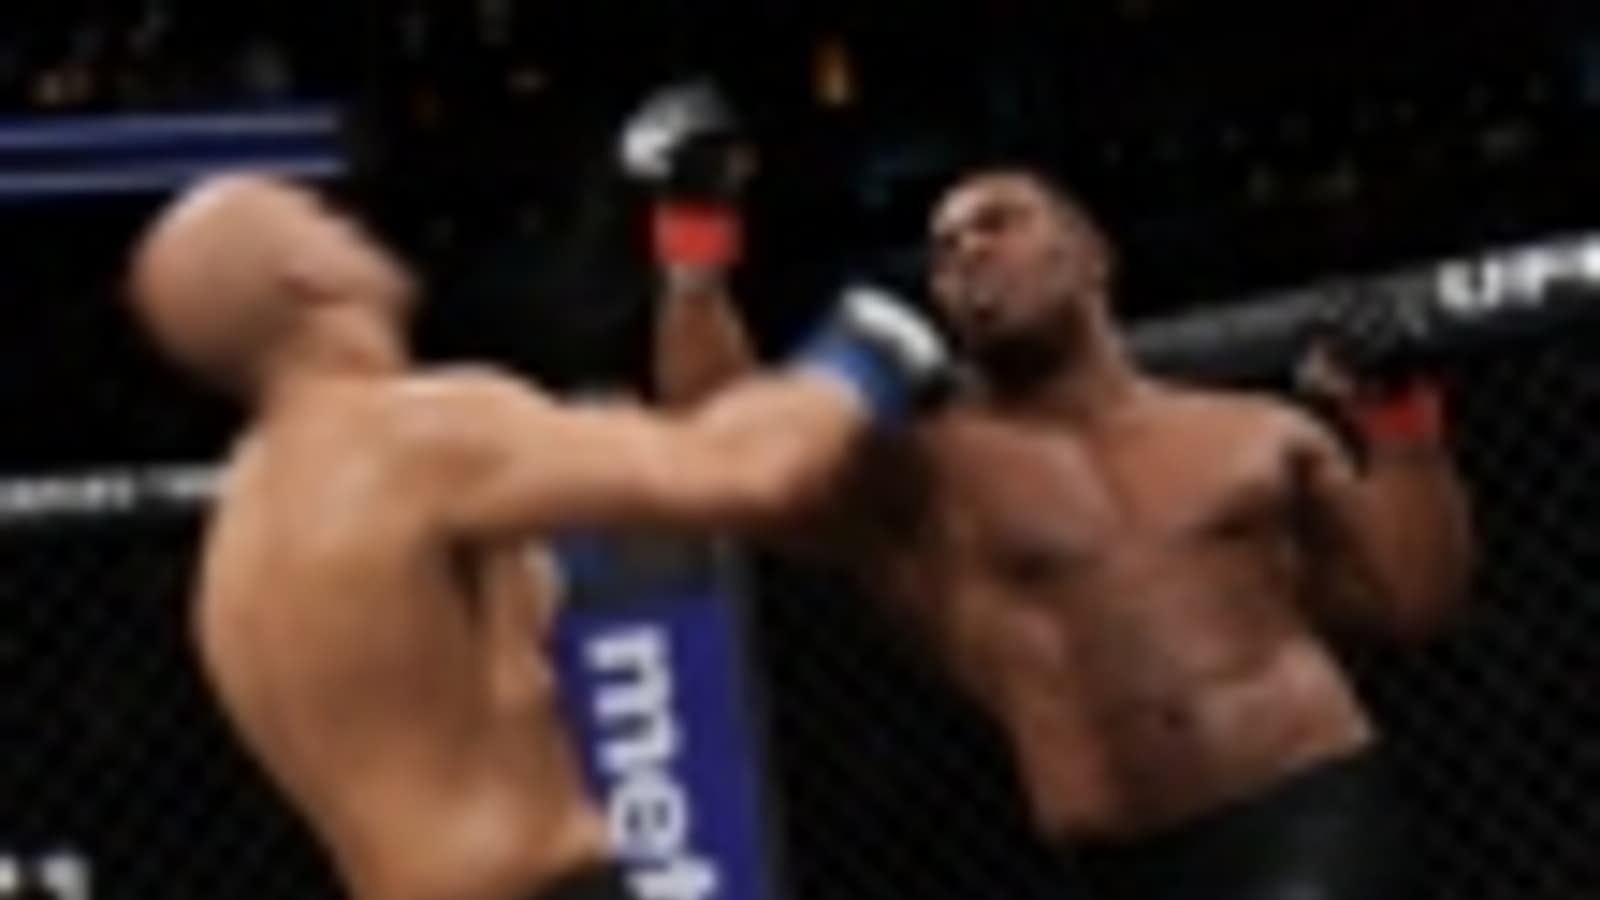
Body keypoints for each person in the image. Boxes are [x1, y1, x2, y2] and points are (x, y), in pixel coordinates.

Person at [640, 91, 1473, 898]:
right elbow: (730, 442)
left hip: (1314, 814)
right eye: (945, 248)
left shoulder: (1255, 432)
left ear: (1090, 257)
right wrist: (694, 241)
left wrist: (1403, 424)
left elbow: (1414, 598)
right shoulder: (925, 472)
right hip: (1119, 866)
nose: (967, 252)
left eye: (998, 224)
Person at [126, 174, 950, 900]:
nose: (348, 225)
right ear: (303, 275)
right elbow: (748, 471)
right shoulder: (412, 438)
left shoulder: (237, 543)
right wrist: (870, 348)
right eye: (319, 218)